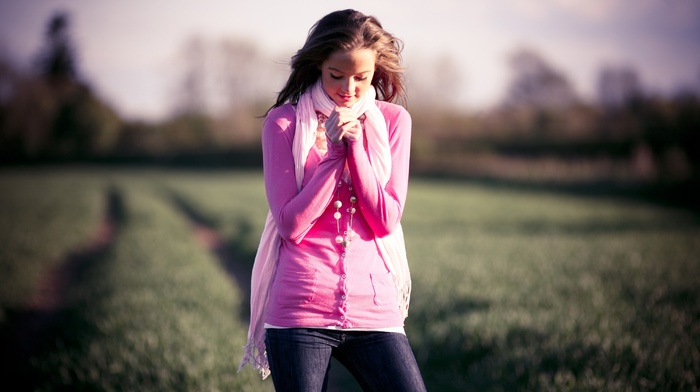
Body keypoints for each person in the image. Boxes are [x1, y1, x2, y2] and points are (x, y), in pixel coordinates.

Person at [239, 9, 426, 392]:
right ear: (318, 66)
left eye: (362, 77)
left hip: (374, 310)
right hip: (298, 311)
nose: (349, 89)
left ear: (376, 72)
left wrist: (354, 148)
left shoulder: (393, 122)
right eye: (336, 75)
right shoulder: (284, 123)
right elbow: (291, 224)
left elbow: (386, 219)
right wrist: (333, 155)